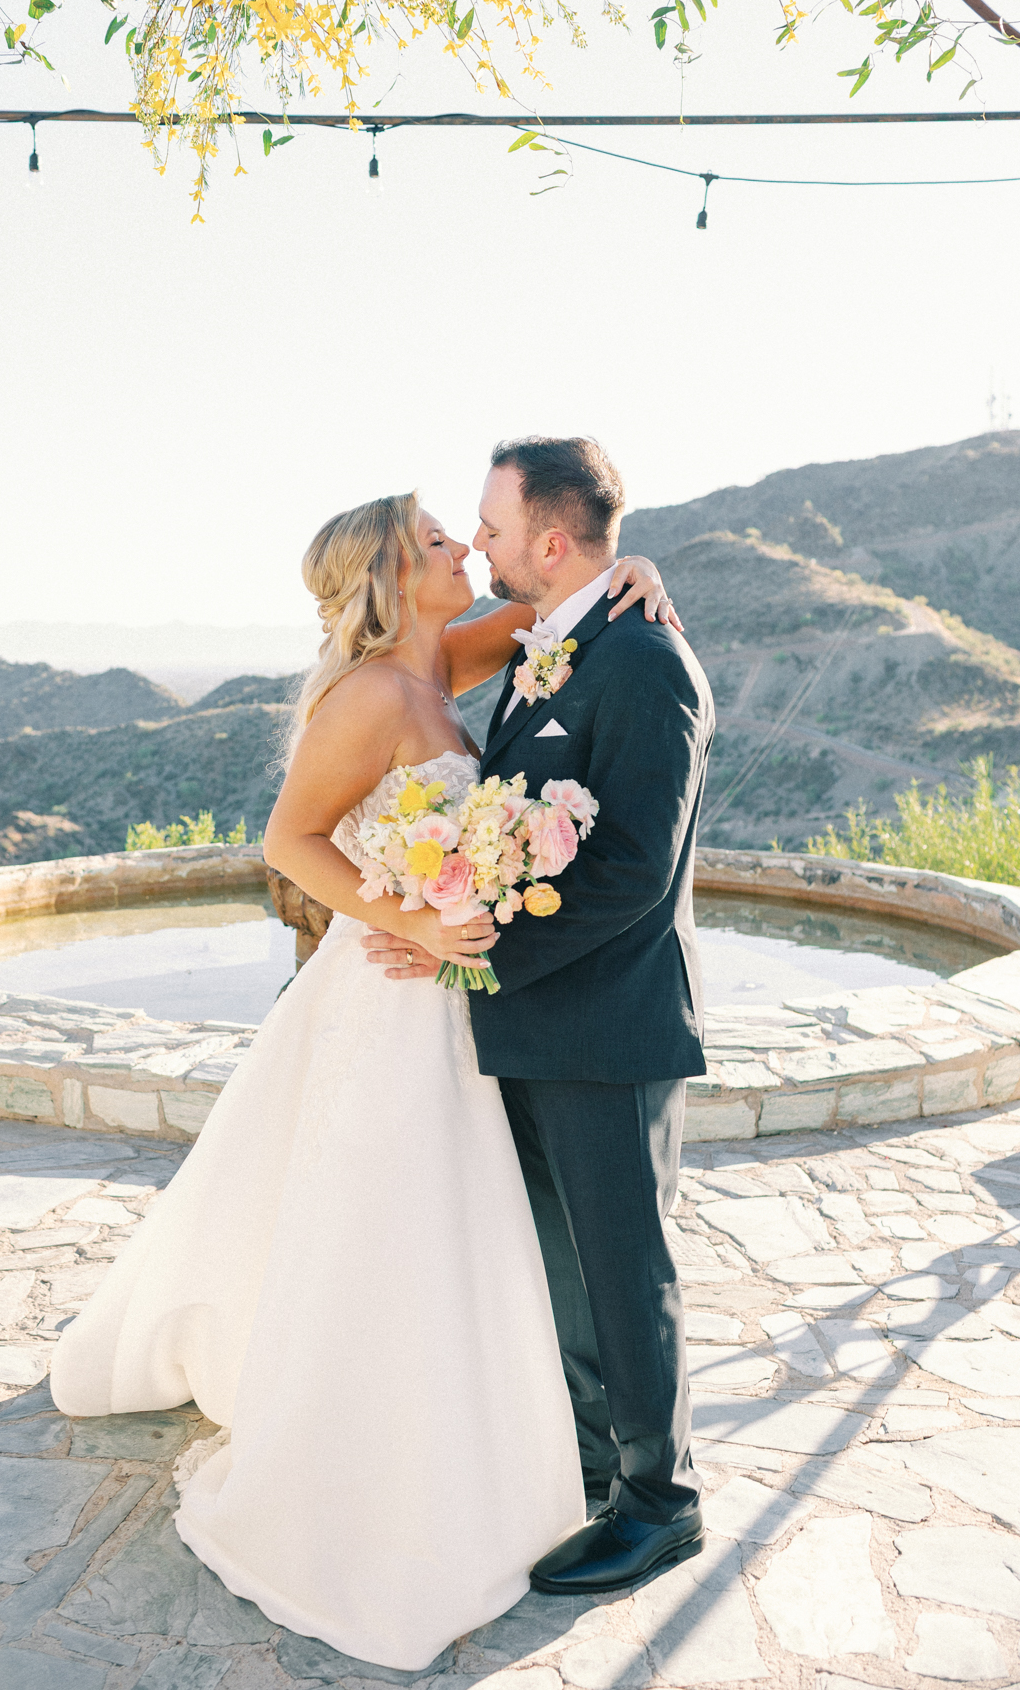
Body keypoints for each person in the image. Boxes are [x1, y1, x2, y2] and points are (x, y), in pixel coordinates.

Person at [50, 483, 683, 1671]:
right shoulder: (370, 694)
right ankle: (377, 1462)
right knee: (390, 1224)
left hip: (456, 995)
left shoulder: (444, 652)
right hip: (394, 990)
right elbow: (288, 842)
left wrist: (637, 564)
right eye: (443, 541)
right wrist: (421, 920)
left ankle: (488, 1444)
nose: (466, 549)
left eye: (467, 532)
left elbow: (570, 614)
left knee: (466, 1222)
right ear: (396, 576)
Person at [362, 437, 715, 1596]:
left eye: (496, 526)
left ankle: (662, 1504)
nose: (483, 543)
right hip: (537, 1031)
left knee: (625, 1272)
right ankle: (592, 1469)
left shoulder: (645, 662)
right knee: (569, 1272)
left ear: (551, 542)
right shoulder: (548, 647)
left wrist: (476, 957)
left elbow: (628, 875)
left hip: (608, 1032)